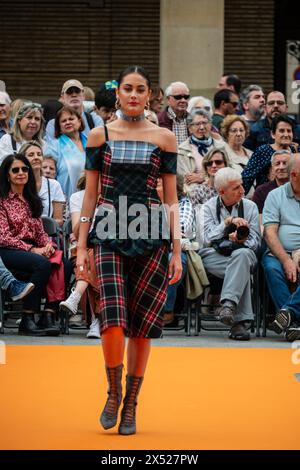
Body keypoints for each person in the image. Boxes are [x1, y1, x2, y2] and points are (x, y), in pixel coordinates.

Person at [76, 65, 182, 435]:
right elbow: (90, 196)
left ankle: (132, 403)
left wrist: (177, 250)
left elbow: (171, 199)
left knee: (142, 327)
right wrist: (80, 248)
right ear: (117, 93)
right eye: (127, 89)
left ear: (149, 95)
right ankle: (113, 390)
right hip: (106, 234)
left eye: (140, 89)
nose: (134, 95)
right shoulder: (98, 135)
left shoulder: (164, 138)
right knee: (113, 320)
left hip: (152, 236)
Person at [0, 154, 62, 336]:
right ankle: (27, 319)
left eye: (24, 169)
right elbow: (2, 236)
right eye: (15, 170)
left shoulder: (30, 200)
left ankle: (48, 315)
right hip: (7, 250)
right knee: (41, 263)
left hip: (31, 249)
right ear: (7, 175)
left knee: (62, 263)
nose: (21, 173)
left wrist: (48, 246)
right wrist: (32, 249)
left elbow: (40, 232)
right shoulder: (2, 200)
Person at [199, 167, 260, 341]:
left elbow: (255, 242)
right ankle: (238, 323)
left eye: (242, 186)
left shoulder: (250, 206)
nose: (242, 190)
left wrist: (241, 241)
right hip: (213, 257)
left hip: (243, 255)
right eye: (236, 188)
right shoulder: (207, 208)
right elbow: (205, 239)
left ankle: (228, 305)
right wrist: (227, 224)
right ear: (221, 191)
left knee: (242, 256)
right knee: (241, 269)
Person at [262, 154, 300, 341]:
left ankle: (289, 314)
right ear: (294, 175)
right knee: (272, 268)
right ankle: (294, 325)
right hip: (278, 253)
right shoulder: (275, 196)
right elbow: (270, 232)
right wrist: (286, 259)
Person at [59, 174, 100, 338]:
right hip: (81, 247)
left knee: (95, 258)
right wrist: (90, 204)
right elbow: (77, 231)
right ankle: (98, 320)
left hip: (105, 248)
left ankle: (76, 296)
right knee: (91, 258)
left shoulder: (114, 198)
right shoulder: (78, 197)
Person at [242, 114, 299, 195]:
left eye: (289, 131)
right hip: (266, 196)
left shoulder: (296, 150)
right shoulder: (264, 151)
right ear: (273, 134)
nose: (286, 135)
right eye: (282, 131)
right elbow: (247, 177)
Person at [177, 109, 225, 195]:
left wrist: (203, 177)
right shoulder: (182, 150)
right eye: (197, 124)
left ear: (210, 125)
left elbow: (228, 173)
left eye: (205, 123)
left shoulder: (221, 146)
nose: (202, 127)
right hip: (196, 195)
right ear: (190, 128)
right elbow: (186, 181)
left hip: (222, 191)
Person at [45, 105, 87, 200]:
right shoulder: (53, 146)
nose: (67, 122)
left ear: (79, 121)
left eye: (71, 119)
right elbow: (48, 175)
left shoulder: (91, 143)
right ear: (59, 127)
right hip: (64, 199)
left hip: (89, 197)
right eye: (63, 121)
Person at [19, 141, 65, 226]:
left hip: (46, 234)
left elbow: (59, 220)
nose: (36, 157)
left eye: (39, 154)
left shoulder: (54, 185)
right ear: (22, 159)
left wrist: (40, 226)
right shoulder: (17, 183)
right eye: (31, 155)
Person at [252, 149, 291, 218]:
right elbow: (259, 220)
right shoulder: (261, 191)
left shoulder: (298, 188)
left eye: (285, 163)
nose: (281, 167)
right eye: (277, 164)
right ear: (272, 168)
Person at [158, 81, 190, 146]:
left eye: (186, 97)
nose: (183, 100)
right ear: (168, 99)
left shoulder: (193, 119)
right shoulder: (159, 119)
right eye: (178, 97)